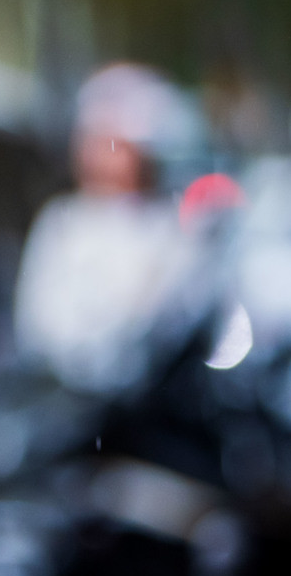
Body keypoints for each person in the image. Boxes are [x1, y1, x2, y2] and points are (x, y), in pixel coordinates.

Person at [12, 62, 202, 397]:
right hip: (71, 400)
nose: (99, 157)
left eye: (116, 144)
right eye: (95, 141)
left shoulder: (168, 229)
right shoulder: (63, 222)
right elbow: (40, 325)